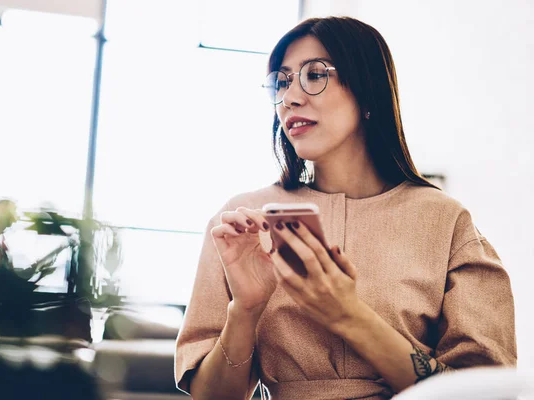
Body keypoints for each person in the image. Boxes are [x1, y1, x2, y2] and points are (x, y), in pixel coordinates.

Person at [174, 16, 517, 400]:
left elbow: (485, 392)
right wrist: (245, 309)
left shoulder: (446, 222)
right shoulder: (241, 223)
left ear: (368, 89)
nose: (290, 98)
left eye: (315, 74)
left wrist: (347, 314)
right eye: (282, 81)